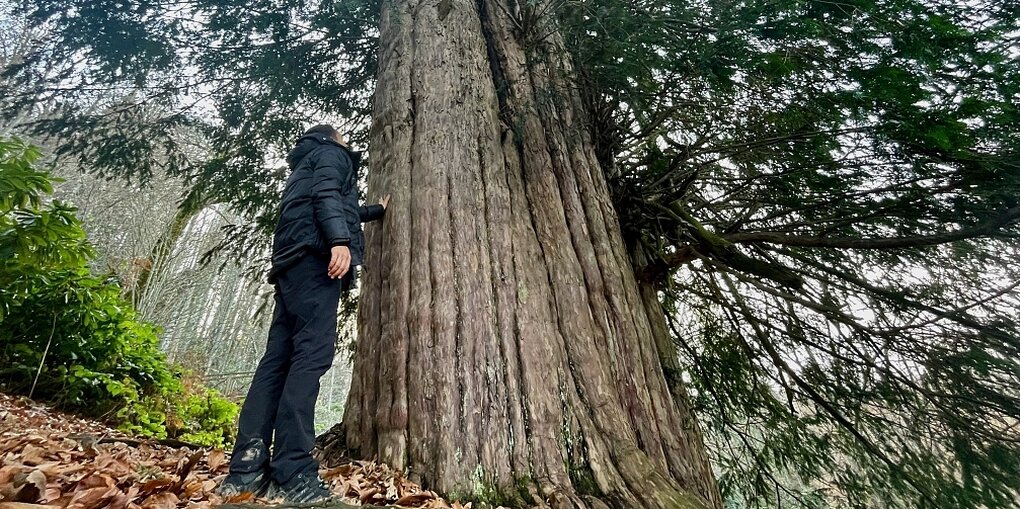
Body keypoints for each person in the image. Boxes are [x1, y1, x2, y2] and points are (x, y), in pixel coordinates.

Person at [217, 124, 387, 503]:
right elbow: (326, 195)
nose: (347, 140)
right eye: (342, 136)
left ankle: (246, 469)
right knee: (311, 357)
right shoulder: (332, 154)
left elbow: (335, 204)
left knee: (277, 361)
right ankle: (293, 469)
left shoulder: (304, 164)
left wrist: (375, 210)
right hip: (316, 261)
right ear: (332, 137)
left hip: (292, 264)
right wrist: (339, 243)